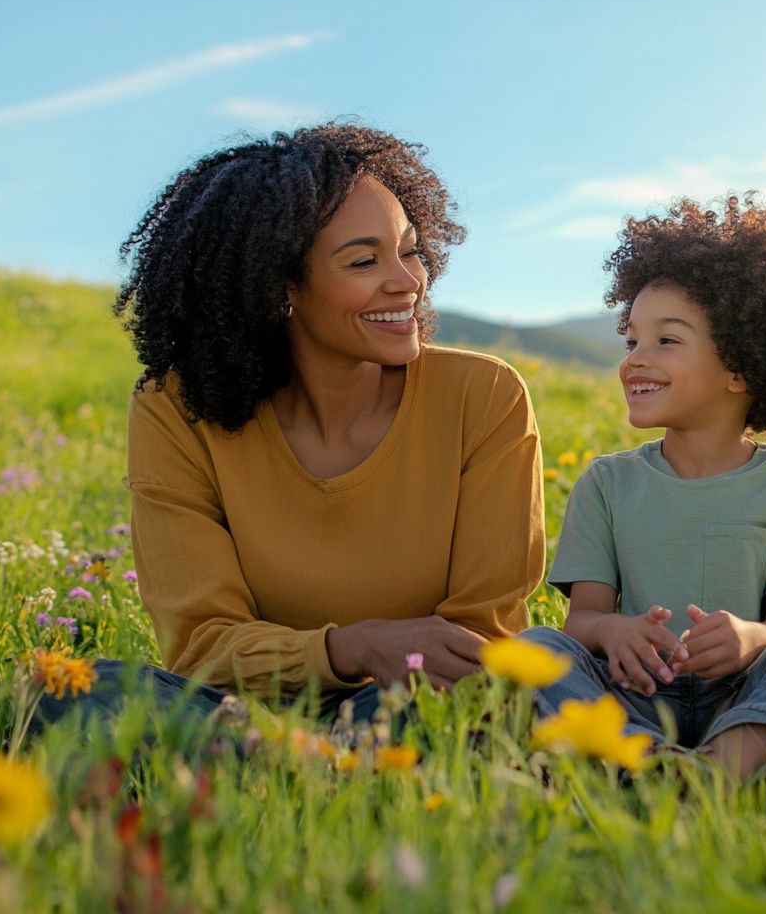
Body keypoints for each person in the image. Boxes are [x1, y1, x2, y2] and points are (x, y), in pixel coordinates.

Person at [38, 123, 545, 732]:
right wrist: (348, 648)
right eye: (364, 260)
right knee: (66, 692)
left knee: (429, 714)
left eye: (410, 249)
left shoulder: (484, 397)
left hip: (410, 705)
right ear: (279, 287)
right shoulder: (176, 409)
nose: (409, 280)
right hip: (243, 712)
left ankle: (280, 779)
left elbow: (477, 642)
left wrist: (382, 674)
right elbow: (201, 646)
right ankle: (304, 771)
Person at [522, 193, 766, 781]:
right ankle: (651, 764)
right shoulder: (606, 482)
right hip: (630, 694)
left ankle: (718, 769)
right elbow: (581, 621)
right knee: (537, 647)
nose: (635, 359)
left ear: (741, 367)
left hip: (744, 695)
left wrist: (753, 637)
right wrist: (615, 632)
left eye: (667, 340)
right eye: (631, 340)